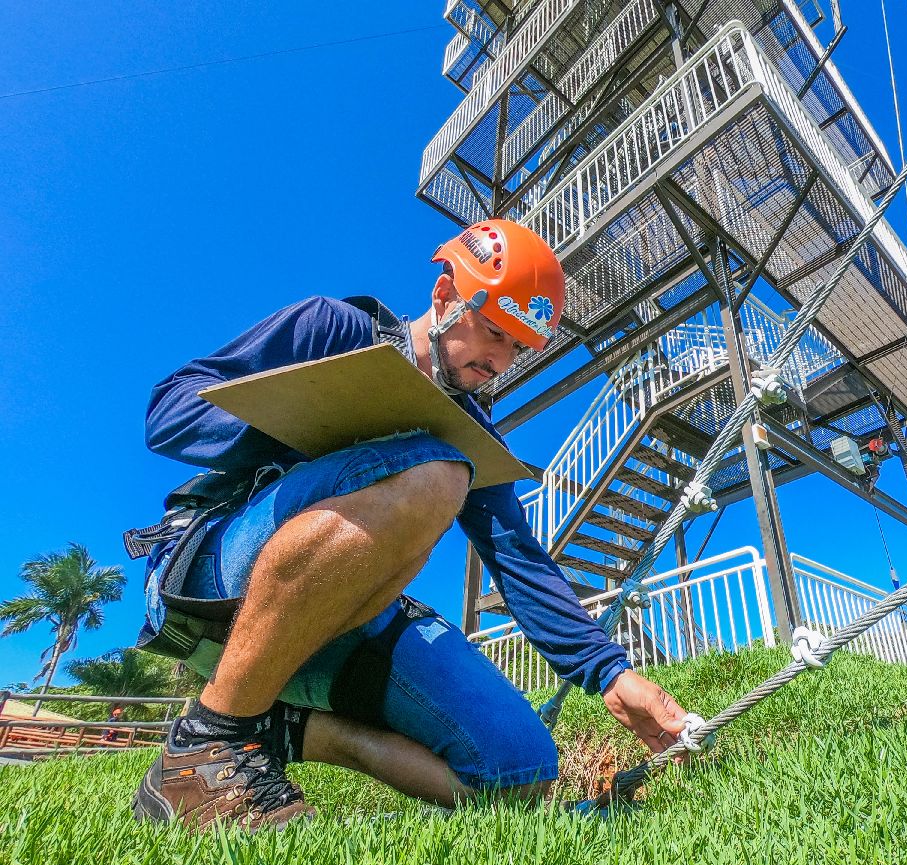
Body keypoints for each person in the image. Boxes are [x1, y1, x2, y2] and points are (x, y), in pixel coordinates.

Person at [128, 219, 688, 831]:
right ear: (446, 295)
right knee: (438, 474)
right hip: (215, 572)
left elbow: (518, 559)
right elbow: (169, 412)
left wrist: (609, 672)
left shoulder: (471, 435)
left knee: (520, 769)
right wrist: (321, 421)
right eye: (494, 331)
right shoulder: (333, 328)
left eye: (518, 347)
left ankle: (285, 727)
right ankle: (209, 744)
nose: (499, 360)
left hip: (344, 613)